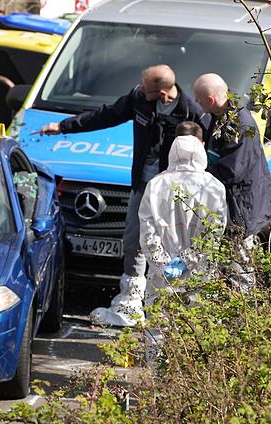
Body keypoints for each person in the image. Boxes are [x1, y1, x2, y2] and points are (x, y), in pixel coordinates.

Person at [39, 64, 207, 326]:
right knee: (134, 242)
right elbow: (105, 115)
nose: (139, 89)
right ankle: (130, 304)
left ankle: (169, 310)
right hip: (143, 186)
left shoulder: (191, 113)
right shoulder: (139, 99)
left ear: (163, 93)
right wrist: (63, 126)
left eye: (145, 87)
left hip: (174, 195)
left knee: (171, 247)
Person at [192, 73, 271, 291]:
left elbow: (232, 171)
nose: (196, 103)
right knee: (228, 268)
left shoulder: (241, 125)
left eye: (199, 100)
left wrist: (198, 175)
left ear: (211, 100)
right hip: (233, 205)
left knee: (240, 270)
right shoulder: (220, 117)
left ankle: (245, 308)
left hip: (243, 209)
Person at [138, 122, 228, 306]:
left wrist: (162, 263)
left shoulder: (156, 185)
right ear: (201, 148)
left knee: (160, 320)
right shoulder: (214, 187)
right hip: (199, 273)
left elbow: (148, 233)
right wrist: (188, 260)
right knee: (198, 321)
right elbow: (213, 233)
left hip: (161, 278)